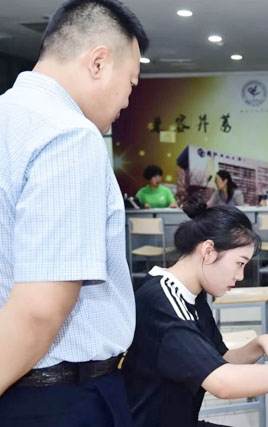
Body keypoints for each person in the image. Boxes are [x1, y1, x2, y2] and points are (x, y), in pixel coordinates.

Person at [0, 0, 147, 425]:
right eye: (130, 83)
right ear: (98, 62)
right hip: (57, 398)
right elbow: (41, 308)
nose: (127, 100)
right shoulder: (69, 134)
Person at [122, 203, 268, 427]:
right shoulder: (164, 303)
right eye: (239, 263)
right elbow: (223, 383)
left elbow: (221, 359)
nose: (240, 276)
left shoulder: (191, 292)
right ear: (208, 251)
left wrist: (261, 343)